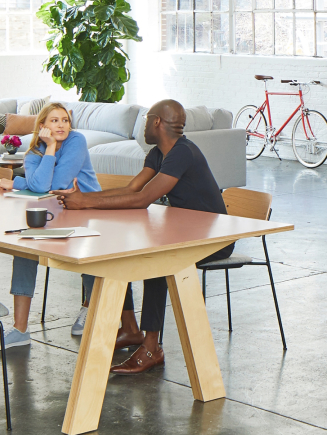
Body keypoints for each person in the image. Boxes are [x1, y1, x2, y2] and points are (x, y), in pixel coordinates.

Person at [54, 99, 233, 375]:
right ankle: (130, 329)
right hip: (185, 232)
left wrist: (85, 203)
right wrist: (83, 199)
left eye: (147, 119)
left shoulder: (183, 153)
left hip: (214, 240)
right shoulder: (158, 153)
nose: (144, 125)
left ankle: (152, 348)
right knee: (118, 251)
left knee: (157, 262)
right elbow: (132, 189)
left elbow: (143, 199)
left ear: (157, 122)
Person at [0, 102, 100, 351]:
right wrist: (49, 148)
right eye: (54, 121)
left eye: (65, 120)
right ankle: (20, 330)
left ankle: (90, 307)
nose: (61, 125)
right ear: (42, 126)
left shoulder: (76, 141)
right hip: (54, 212)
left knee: (89, 252)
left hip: (87, 211)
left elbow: (56, 183)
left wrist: (18, 181)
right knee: (24, 249)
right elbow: (40, 187)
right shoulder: (33, 153)